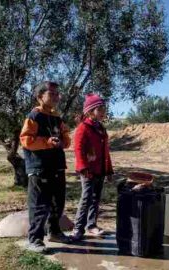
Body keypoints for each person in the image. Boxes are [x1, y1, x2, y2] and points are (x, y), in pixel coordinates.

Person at [20, 81, 72, 253]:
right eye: (52, 93)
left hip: (57, 166)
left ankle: (55, 232)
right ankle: (35, 239)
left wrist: (63, 138)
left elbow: (66, 140)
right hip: (39, 167)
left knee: (58, 203)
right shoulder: (34, 116)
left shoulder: (57, 117)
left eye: (57, 94)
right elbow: (26, 140)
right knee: (39, 204)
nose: (56, 97)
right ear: (40, 96)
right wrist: (47, 142)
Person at [71, 93, 114, 241]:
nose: (103, 112)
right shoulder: (84, 128)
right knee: (86, 198)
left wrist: (108, 170)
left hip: (100, 170)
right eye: (99, 109)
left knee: (96, 199)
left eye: (104, 108)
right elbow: (78, 149)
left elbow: (105, 151)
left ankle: (91, 225)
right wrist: (83, 168)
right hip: (88, 171)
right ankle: (78, 228)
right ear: (90, 112)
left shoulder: (101, 128)